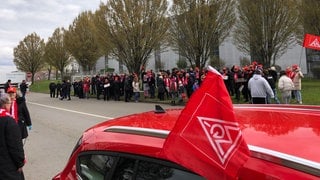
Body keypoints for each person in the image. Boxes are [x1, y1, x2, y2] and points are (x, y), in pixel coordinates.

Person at [0, 93, 26, 179]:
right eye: (9, 103)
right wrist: (20, 162)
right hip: (6, 168)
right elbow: (15, 146)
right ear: (5, 104)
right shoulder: (8, 121)